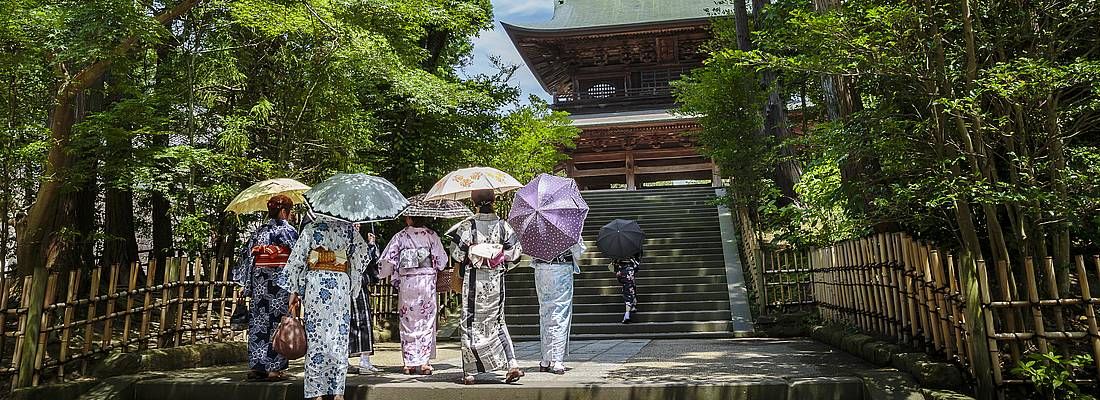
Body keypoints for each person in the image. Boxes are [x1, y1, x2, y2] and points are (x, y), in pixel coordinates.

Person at [280, 217, 370, 400]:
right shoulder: (349, 230)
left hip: (317, 283)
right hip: (340, 284)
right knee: (339, 336)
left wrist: (294, 290)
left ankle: (316, 393)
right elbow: (362, 254)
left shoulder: (311, 228)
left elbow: (297, 260)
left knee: (316, 337)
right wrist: (348, 269)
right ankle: (337, 392)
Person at [446, 189, 524, 385]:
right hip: (495, 279)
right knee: (498, 321)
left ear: (474, 202)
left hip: (474, 279)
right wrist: (497, 257)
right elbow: (515, 253)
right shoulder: (503, 226)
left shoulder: (467, 227)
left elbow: (456, 252)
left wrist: (474, 254)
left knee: (469, 321)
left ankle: (470, 372)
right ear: (494, 200)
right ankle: (512, 364)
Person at [234, 195, 298, 382]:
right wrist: (297, 286)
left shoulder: (260, 231)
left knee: (259, 322)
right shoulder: (289, 231)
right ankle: (274, 369)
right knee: (279, 322)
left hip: (260, 281)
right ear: (285, 211)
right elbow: (297, 258)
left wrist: (246, 284)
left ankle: (257, 367)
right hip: (280, 282)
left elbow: (247, 256)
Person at [378, 215, 448, 375]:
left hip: (408, 283)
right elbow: (441, 261)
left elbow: (388, 261)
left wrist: (384, 273)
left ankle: (409, 362)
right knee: (426, 321)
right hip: (425, 283)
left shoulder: (400, 236)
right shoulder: (431, 235)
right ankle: (424, 362)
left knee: (408, 321)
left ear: (410, 218)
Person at [531, 242, 585, 374]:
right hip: (562, 268)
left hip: (541, 269)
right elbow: (578, 251)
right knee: (560, 312)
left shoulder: (538, 227)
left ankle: (545, 359)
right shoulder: (566, 226)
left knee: (545, 312)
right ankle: (557, 361)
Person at [347, 230, 381, 374]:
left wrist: (372, 245)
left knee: (364, 321)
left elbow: (371, 261)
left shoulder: (360, 240)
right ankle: (343, 360)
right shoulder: (343, 235)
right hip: (343, 282)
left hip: (358, 283)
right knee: (344, 323)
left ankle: (364, 360)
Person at [610, 255, 641, 324]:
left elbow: (614, 268)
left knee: (628, 292)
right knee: (630, 291)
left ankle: (629, 310)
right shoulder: (632, 253)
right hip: (629, 272)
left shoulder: (617, 253)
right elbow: (637, 267)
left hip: (623, 274)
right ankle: (630, 310)